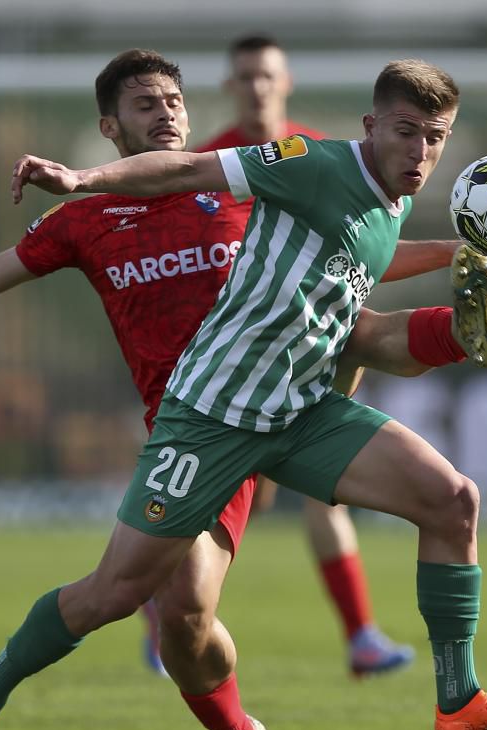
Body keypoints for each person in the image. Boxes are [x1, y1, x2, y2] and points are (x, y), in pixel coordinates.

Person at [0, 49, 487, 730]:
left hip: (285, 409)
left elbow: (354, 259)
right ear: (108, 127)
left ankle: (438, 687)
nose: (167, 112)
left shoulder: (243, 186)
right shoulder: (86, 218)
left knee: (444, 493)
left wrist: (459, 254)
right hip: (194, 427)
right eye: (145, 104)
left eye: (174, 99)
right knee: (173, 614)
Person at [133, 33, 417, 681]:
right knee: (232, 504)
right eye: (245, 77)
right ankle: (159, 603)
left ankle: (361, 635)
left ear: (286, 82)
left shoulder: (327, 156)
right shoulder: (206, 161)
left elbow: (367, 254)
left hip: (315, 352)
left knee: (327, 496)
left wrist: (453, 253)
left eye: (268, 75)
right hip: (231, 368)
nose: (258, 86)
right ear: (231, 87)